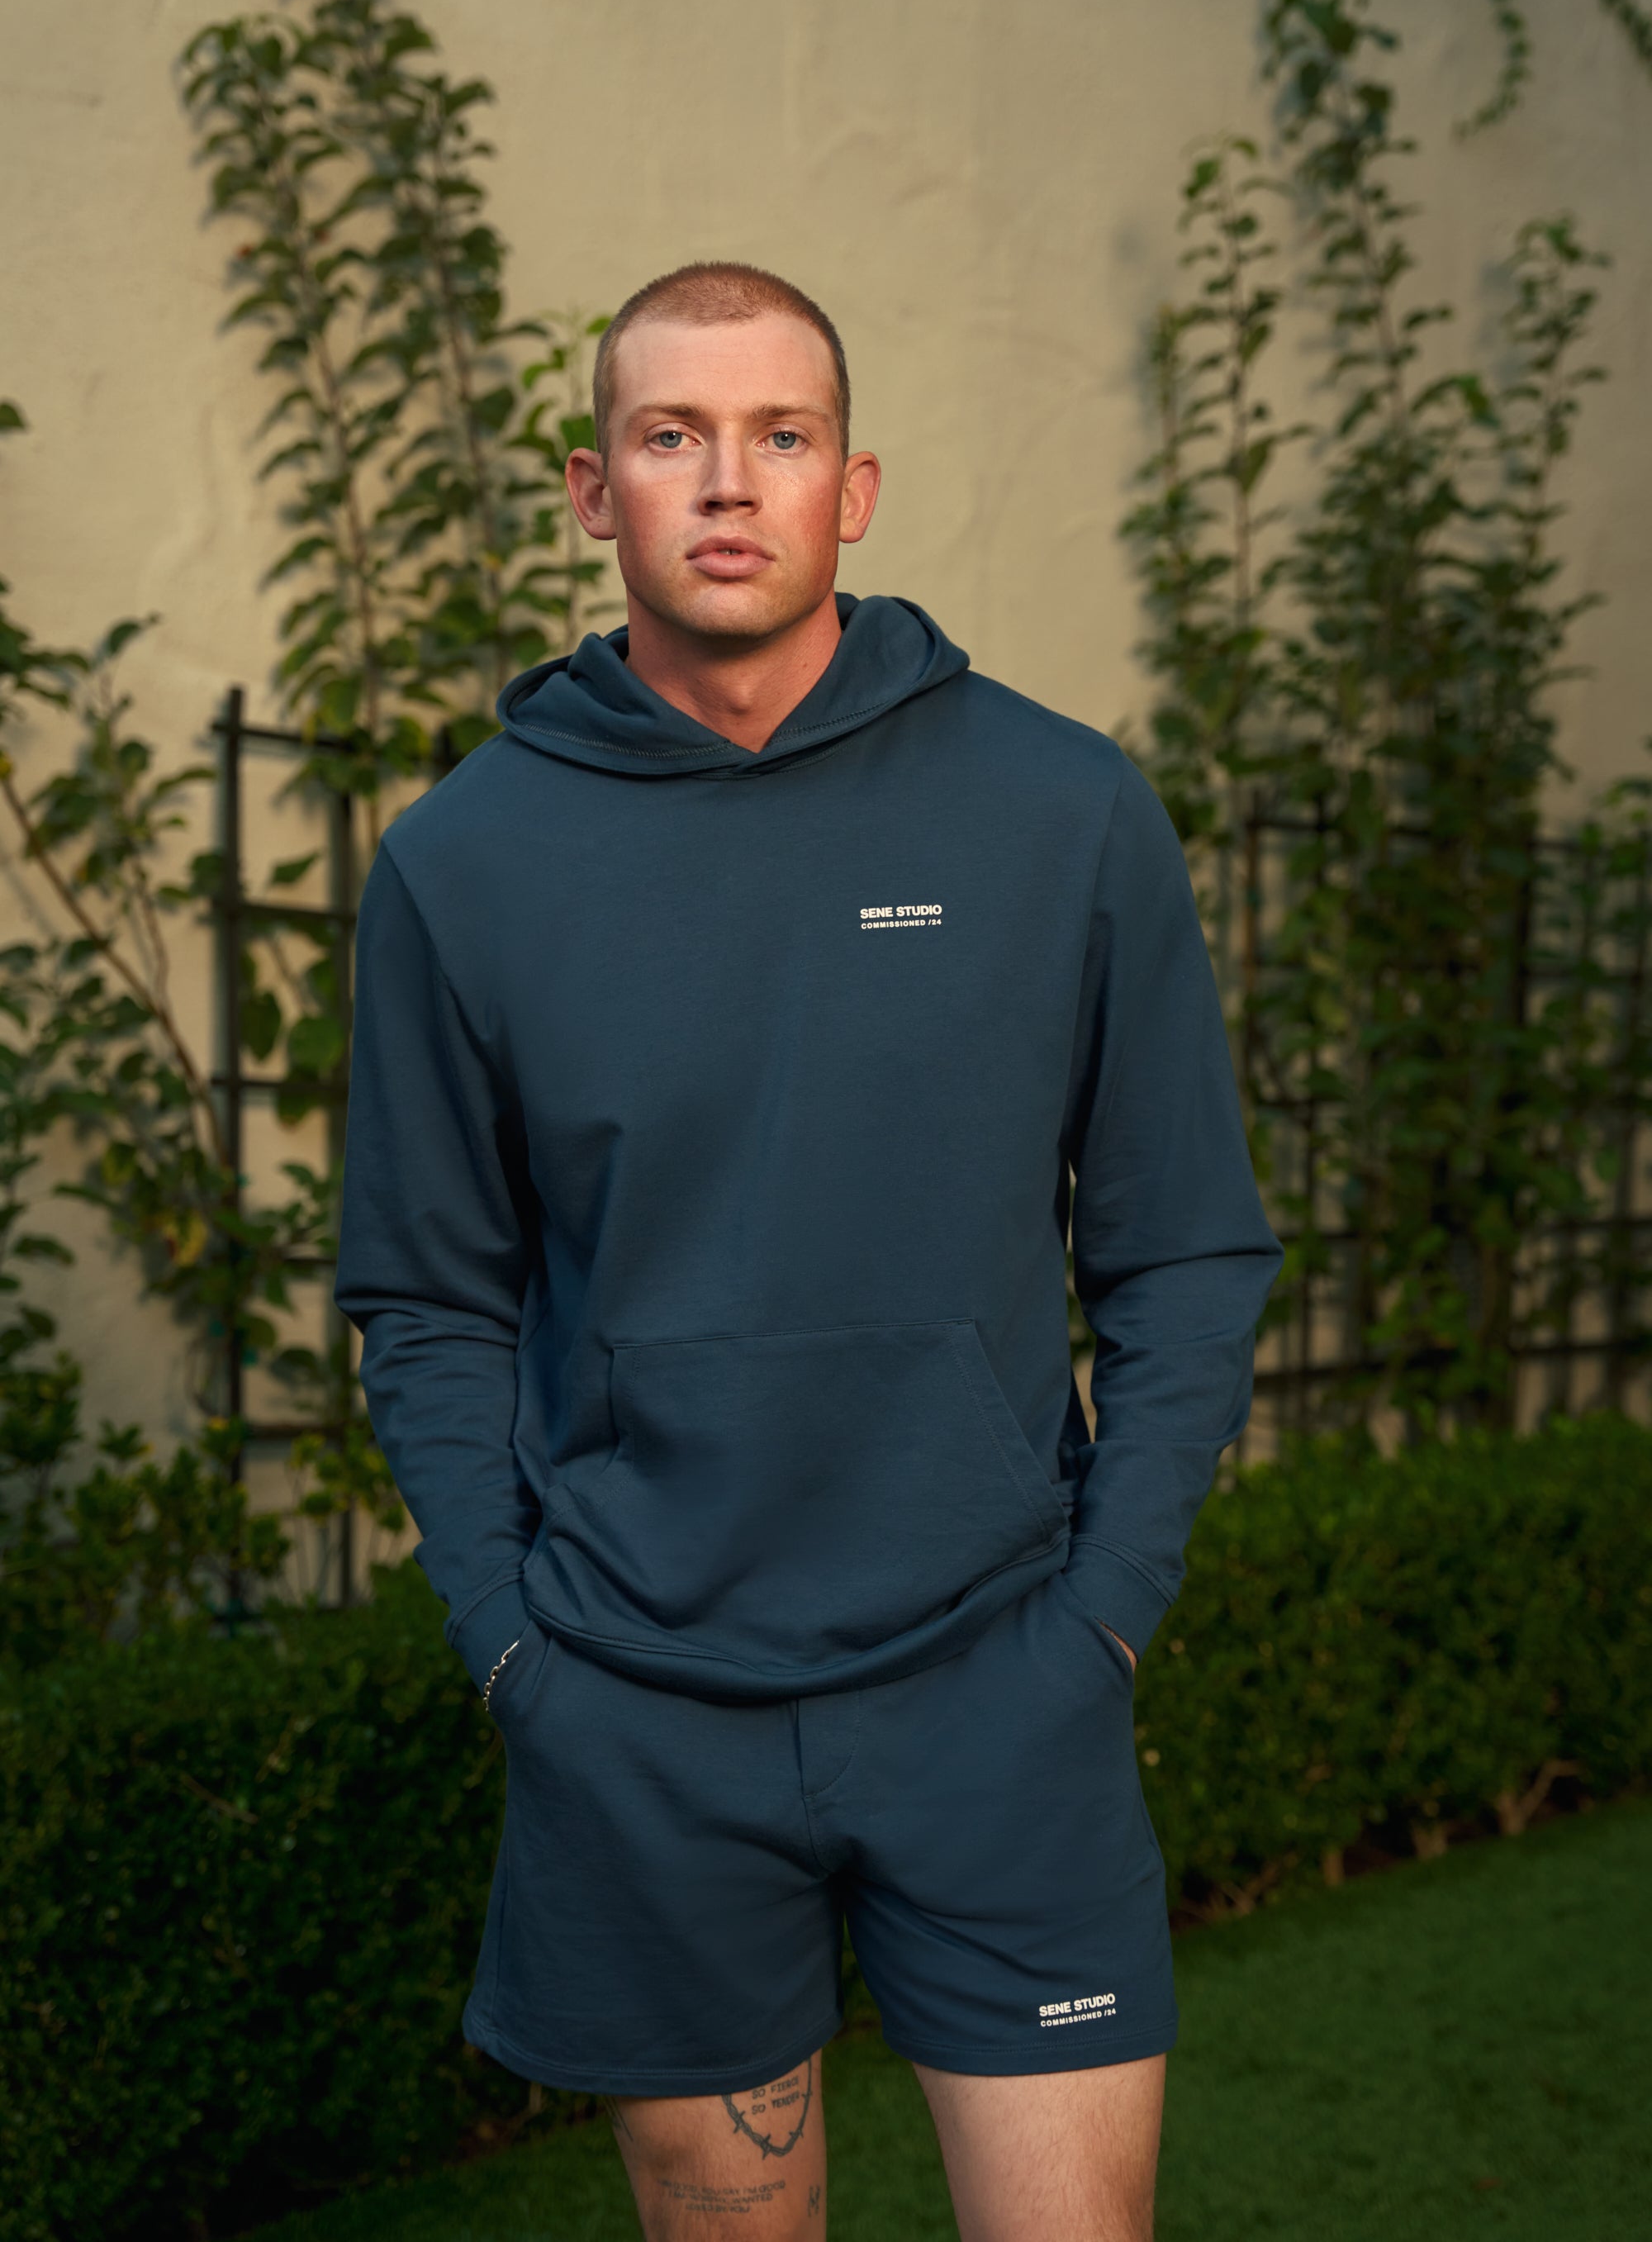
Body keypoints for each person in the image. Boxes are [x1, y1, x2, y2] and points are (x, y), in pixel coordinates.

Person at [334, 259, 1284, 2242]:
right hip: (637, 1711)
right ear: (593, 490)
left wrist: (1102, 1612)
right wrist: (517, 1648)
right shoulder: (463, 863)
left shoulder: (1059, 809)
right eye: (669, 434)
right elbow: (426, 1293)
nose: (727, 479)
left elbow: (1185, 1247)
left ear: (854, 488)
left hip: (1000, 1693)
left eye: (780, 433)